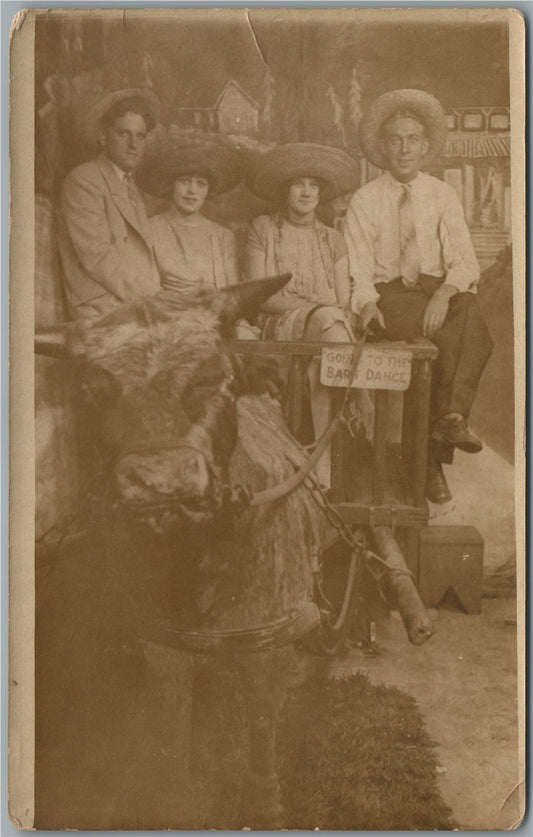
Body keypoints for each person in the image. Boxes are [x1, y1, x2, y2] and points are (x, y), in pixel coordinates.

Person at [344, 89, 493, 504]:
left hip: (434, 291)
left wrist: (444, 293)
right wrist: (366, 303)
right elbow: (359, 270)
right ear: (382, 146)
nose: (405, 148)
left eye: (413, 139)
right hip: (390, 297)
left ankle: (448, 421)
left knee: (476, 327)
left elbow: (464, 262)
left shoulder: (442, 195)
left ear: (426, 146)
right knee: (449, 338)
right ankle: (432, 460)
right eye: (396, 139)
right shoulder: (365, 200)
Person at [244, 142, 369, 487]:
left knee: (323, 360)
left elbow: (343, 300)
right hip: (278, 327)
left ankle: (321, 472)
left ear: (321, 192)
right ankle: (364, 407)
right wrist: (315, 310)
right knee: (329, 323)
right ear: (286, 189)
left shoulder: (333, 239)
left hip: (327, 334)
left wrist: (325, 315)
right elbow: (259, 296)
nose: (306, 192)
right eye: (299, 184)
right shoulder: (262, 229)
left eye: (313, 185)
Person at [57, 88, 161, 319]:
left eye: (140, 136)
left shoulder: (131, 188)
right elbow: (99, 257)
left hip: (133, 305)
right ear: (103, 137)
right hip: (101, 311)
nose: (134, 144)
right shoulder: (84, 180)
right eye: (124, 134)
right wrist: (156, 298)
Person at [135, 138, 243, 296]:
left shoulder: (223, 236)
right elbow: (147, 291)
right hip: (168, 314)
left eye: (201, 184)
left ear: (208, 191)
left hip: (216, 316)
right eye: (184, 181)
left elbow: (233, 296)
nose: (192, 190)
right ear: (171, 185)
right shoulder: (150, 229)